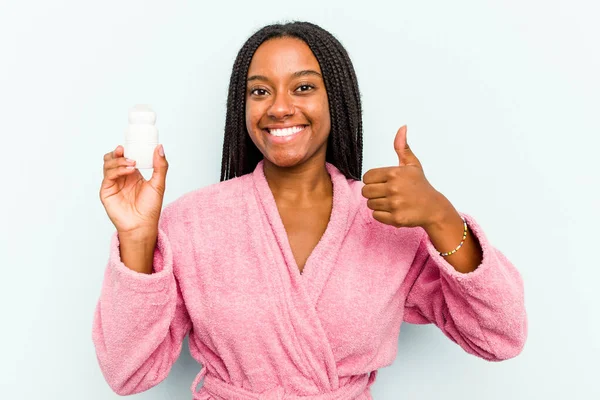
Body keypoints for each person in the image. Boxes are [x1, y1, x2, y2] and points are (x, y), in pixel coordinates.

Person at [94, 21, 527, 399]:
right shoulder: (192, 223)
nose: (280, 107)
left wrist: (441, 218)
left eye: (303, 87)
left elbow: (500, 337)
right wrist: (136, 238)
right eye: (260, 91)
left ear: (334, 98)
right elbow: (127, 373)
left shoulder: (387, 218)